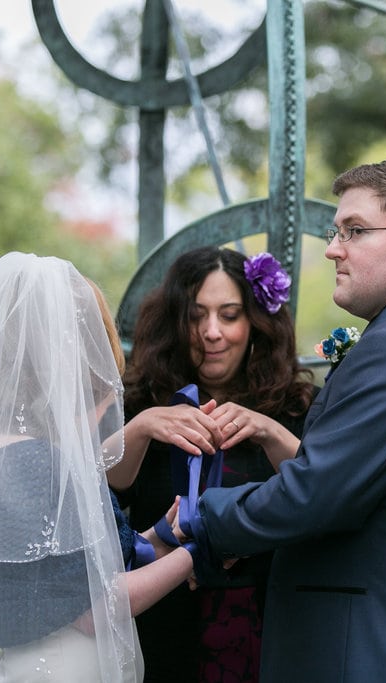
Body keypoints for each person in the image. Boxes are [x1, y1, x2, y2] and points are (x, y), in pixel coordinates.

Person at [188, 158, 386, 681]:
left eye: (355, 231)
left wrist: (199, 520)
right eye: (335, 230)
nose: (332, 247)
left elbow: (313, 496)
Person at [0, 252, 196, 683]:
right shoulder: (38, 465)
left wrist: (163, 537)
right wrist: (198, 551)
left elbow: (66, 573)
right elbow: (98, 605)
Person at [107, 246, 317, 682]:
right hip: (161, 631)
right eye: (196, 315)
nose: (211, 332)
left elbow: (322, 491)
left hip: (269, 629)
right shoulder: (141, 401)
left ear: (255, 322)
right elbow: (102, 492)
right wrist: (142, 427)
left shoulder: (295, 407)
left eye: (229, 314)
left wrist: (270, 431)